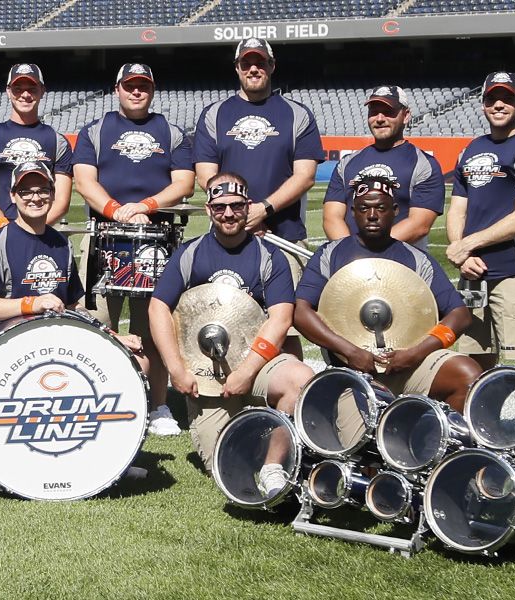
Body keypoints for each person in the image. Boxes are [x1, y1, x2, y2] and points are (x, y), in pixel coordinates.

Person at [0, 161, 149, 480]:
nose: (34, 197)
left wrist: (110, 335)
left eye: (42, 190)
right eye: (26, 190)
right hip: (14, 344)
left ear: (52, 195)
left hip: (62, 341)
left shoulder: (60, 243)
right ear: (12, 195)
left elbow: (74, 305)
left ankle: (113, 456)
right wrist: (30, 304)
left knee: (138, 359)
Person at [147, 173, 312, 473]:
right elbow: (158, 307)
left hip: (258, 361)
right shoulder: (189, 253)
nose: (228, 214)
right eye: (220, 207)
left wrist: (248, 370)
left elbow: (281, 317)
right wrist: (176, 369)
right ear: (209, 209)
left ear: (248, 207)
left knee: (299, 380)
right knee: (228, 467)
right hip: (206, 369)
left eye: (236, 206)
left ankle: (275, 463)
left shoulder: (270, 256)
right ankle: (261, 434)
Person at [67, 62, 196, 436]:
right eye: (129, 86)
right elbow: (84, 181)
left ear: (152, 89)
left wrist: (145, 207)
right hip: (104, 235)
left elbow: (184, 182)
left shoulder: (171, 132)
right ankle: (100, 397)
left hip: (155, 240)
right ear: (117, 89)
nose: (136, 92)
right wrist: (115, 211)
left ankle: (158, 406)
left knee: (154, 326)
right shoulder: (95, 131)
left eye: (143, 86)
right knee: (99, 321)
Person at [292, 180, 482, 409]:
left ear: (395, 212)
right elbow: (301, 312)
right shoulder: (329, 254)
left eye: (381, 208)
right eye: (363, 208)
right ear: (353, 213)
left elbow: (460, 315)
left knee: (467, 374)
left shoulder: (416, 259)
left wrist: (416, 353)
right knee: (359, 443)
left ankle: (440, 438)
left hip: (410, 366)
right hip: (351, 372)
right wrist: (349, 351)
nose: (372, 215)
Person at [444, 72, 515, 381]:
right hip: (472, 274)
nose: (499, 104)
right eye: (492, 98)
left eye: (507, 98)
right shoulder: (470, 150)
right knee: (472, 365)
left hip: (514, 272)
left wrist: (467, 245)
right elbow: (457, 210)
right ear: (483, 105)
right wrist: (462, 255)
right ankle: (478, 427)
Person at [192, 38, 323, 242]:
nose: (253, 69)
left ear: (272, 66)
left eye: (260, 63)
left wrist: (263, 209)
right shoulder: (213, 114)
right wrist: (241, 213)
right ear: (237, 68)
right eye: (246, 64)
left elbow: (305, 176)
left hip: (285, 236)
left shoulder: (299, 114)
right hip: (228, 233)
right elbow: (205, 175)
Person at [321, 85, 441, 247]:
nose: (379, 118)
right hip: (352, 263)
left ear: (405, 116)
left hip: (401, 264)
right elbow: (332, 217)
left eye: (388, 112)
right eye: (373, 112)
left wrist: (370, 253)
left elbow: (419, 225)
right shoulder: (347, 163)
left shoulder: (424, 164)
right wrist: (349, 251)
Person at [0, 63, 71, 229]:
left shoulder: (58, 141)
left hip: (42, 231)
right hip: (0, 228)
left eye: (32, 88)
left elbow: (61, 202)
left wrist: (32, 230)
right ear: (8, 91)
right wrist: (6, 229)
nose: (25, 94)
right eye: (18, 89)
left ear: (43, 91)